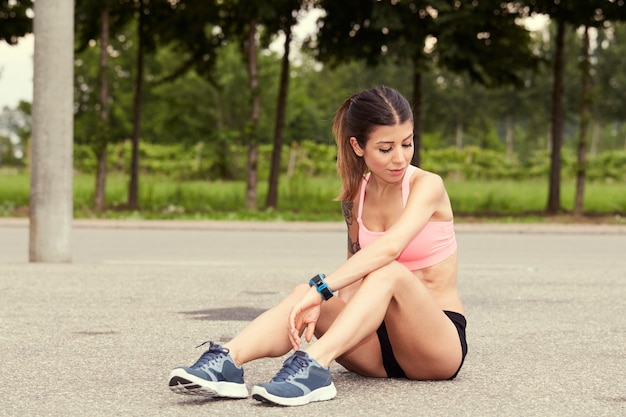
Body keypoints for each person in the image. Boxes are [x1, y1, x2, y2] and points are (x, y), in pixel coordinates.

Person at [167, 85, 467, 406]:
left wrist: (321, 287)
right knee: (303, 295)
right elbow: (354, 271)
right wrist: (321, 302)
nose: (400, 157)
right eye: (385, 148)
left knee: (386, 272)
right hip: (375, 348)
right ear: (357, 146)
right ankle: (228, 360)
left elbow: (388, 250)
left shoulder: (427, 185)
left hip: (435, 346)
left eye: (407, 144)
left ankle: (312, 366)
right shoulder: (356, 195)